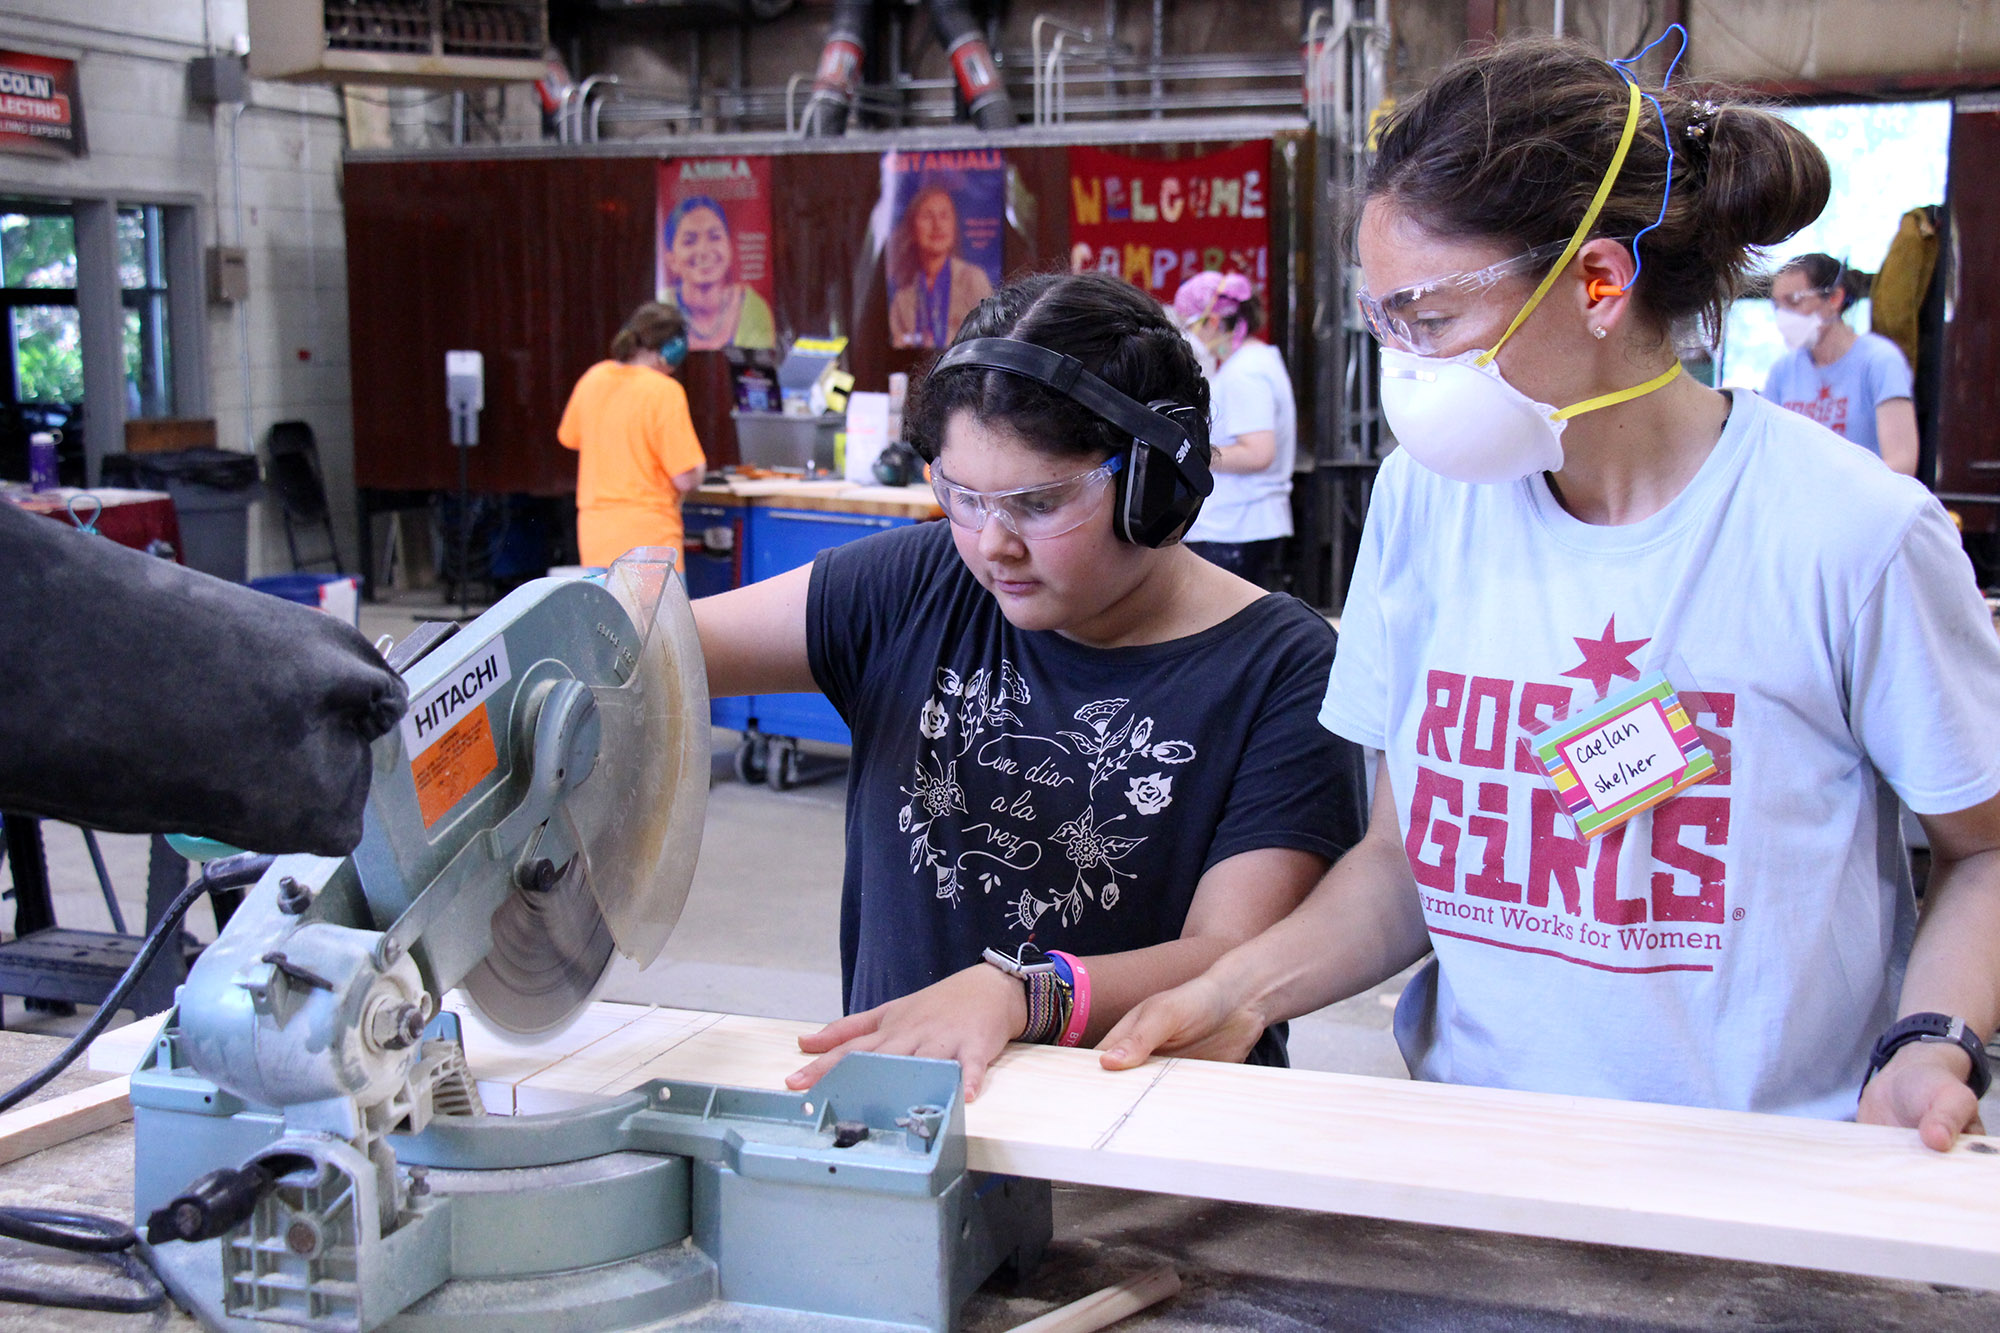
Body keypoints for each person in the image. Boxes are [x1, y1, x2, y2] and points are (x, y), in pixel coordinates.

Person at [1099, 34, 2000, 1153]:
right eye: (1382, 324)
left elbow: (1984, 848)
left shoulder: (1850, 537)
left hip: (1764, 1179)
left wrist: (1928, 1040)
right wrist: (1237, 992)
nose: (1405, 368)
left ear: (1598, 280)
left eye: (1426, 322)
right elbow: (1401, 860)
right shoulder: (1423, 504)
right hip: (1481, 1161)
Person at [693, 271, 1366, 1096]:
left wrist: (1022, 993)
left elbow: (1231, 963)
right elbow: (658, 651)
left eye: (1037, 502)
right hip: (916, 1138)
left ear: (1155, 486)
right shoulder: (917, 581)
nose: (991, 544)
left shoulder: (1281, 669)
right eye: (964, 496)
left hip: (1154, 1163)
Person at [558, 302, 707, 568]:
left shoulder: (593, 378)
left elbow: (570, 437)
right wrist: (700, 470)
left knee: (605, 610)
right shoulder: (663, 391)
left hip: (595, 537)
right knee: (658, 611)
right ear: (673, 349)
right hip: (649, 542)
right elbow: (684, 478)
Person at [1173, 271, 1297, 586]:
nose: (1192, 337)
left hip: (1238, 527)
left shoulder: (1246, 372)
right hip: (1242, 525)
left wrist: (1192, 455)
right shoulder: (1255, 361)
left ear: (1213, 322)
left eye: (1191, 326)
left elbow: (1258, 453)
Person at [1762, 253, 1918, 476]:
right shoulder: (1782, 371)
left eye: (1794, 301)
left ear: (1834, 298)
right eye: (1777, 305)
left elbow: (1902, 464)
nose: (1783, 315)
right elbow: (1768, 455)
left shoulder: (1880, 361)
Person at [662, 196, 776, 351]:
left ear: (729, 247)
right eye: (690, 241)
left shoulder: (753, 308)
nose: (704, 250)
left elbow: (759, 372)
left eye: (715, 237)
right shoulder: (661, 306)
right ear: (671, 260)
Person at [889, 184, 995, 349]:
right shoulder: (902, 299)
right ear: (912, 229)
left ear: (954, 225)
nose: (937, 225)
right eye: (927, 216)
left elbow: (990, 338)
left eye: (944, 216)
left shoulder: (973, 279)